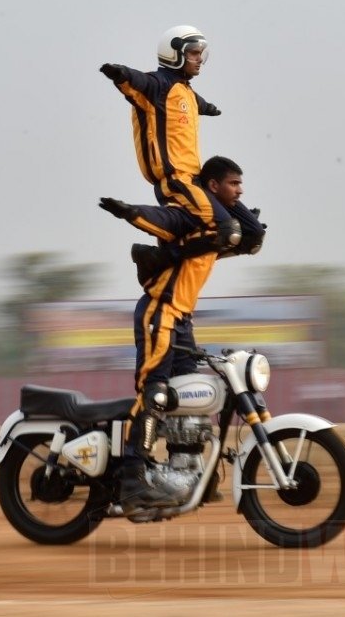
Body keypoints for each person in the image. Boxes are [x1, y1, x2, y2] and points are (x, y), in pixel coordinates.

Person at [113, 156, 261, 508]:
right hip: (159, 313)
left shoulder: (218, 232)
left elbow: (253, 237)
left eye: (241, 184)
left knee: (190, 397)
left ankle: (185, 470)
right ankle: (131, 477)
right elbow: (161, 218)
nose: (240, 191)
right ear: (212, 186)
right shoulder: (190, 223)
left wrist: (239, 209)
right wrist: (131, 212)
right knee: (156, 396)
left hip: (181, 320)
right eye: (233, 184)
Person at [99, 24, 244, 260]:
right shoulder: (158, 86)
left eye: (201, 54)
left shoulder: (185, 90)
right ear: (175, 54)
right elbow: (139, 80)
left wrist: (209, 108)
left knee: (247, 237)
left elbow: (197, 102)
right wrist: (119, 73)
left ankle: (171, 254)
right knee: (227, 230)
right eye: (194, 53)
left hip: (194, 178)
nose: (199, 60)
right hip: (175, 178)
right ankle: (162, 258)